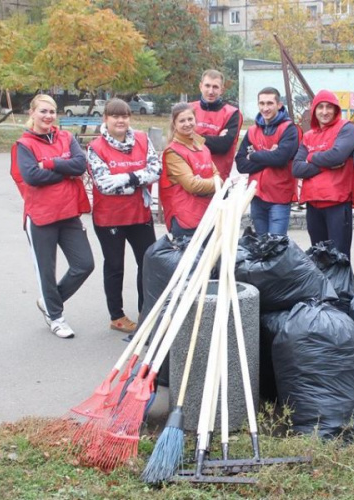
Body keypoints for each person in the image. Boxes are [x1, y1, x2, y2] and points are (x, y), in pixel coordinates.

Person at [10, 94, 94, 339]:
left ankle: (48, 302)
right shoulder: (24, 145)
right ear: (32, 113)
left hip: (68, 213)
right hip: (41, 217)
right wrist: (63, 171)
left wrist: (49, 164)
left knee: (84, 264)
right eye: (43, 111)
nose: (48, 116)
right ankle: (56, 317)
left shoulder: (66, 137)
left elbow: (80, 165)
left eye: (51, 112)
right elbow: (32, 177)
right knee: (47, 271)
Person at [86, 98, 161, 334]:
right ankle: (116, 316)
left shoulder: (141, 139)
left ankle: (145, 310)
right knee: (115, 266)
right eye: (115, 116)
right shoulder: (96, 148)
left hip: (139, 214)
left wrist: (125, 179)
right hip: (109, 217)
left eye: (125, 116)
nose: (121, 120)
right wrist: (137, 178)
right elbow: (104, 184)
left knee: (147, 263)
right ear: (105, 119)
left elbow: (156, 170)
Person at [292, 90, 354, 258]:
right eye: (320, 107)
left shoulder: (347, 128)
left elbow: (338, 155)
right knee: (319, 257)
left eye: (329, 107)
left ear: (336, 109)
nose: (324, 112)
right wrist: (327, 164)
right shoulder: (308, 136)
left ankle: (341, 286)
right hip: (313, 203)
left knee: (339, 258)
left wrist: (310, 157)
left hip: (337, 202)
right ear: (314, 110)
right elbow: (296, 168)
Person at [235, 87, 300, 235]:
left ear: (279, 105)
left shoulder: (289, 129)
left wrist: (253, 155)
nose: (265, 108)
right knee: (261, 246)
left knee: (275, 248)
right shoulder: (252, 130)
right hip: (256, 196)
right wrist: (270, 155)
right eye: (262, 103)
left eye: (269, 103)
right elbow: (240, 164)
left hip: (279, 197)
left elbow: (280, 158)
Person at [160, 102, 220, 237]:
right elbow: (192, 185)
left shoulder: (202, 147)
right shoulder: (172, 152)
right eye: (182, 121)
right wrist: (215, 183)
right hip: (186, 220)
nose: (187, 123)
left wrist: (208, 182)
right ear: (174, 124)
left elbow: (218, 176)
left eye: (190, 119)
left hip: (206, 215)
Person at [190, 69, 243, 182]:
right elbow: (177, 141)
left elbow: (223, 146)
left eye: (215, 87)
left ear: (222, 90)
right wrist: (215, 138)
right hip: (189, 176)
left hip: (217, 180)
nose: (211, 91)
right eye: (207, 86)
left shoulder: (232, 113)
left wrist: (192, 136)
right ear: (200, 86)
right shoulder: (188, 109)